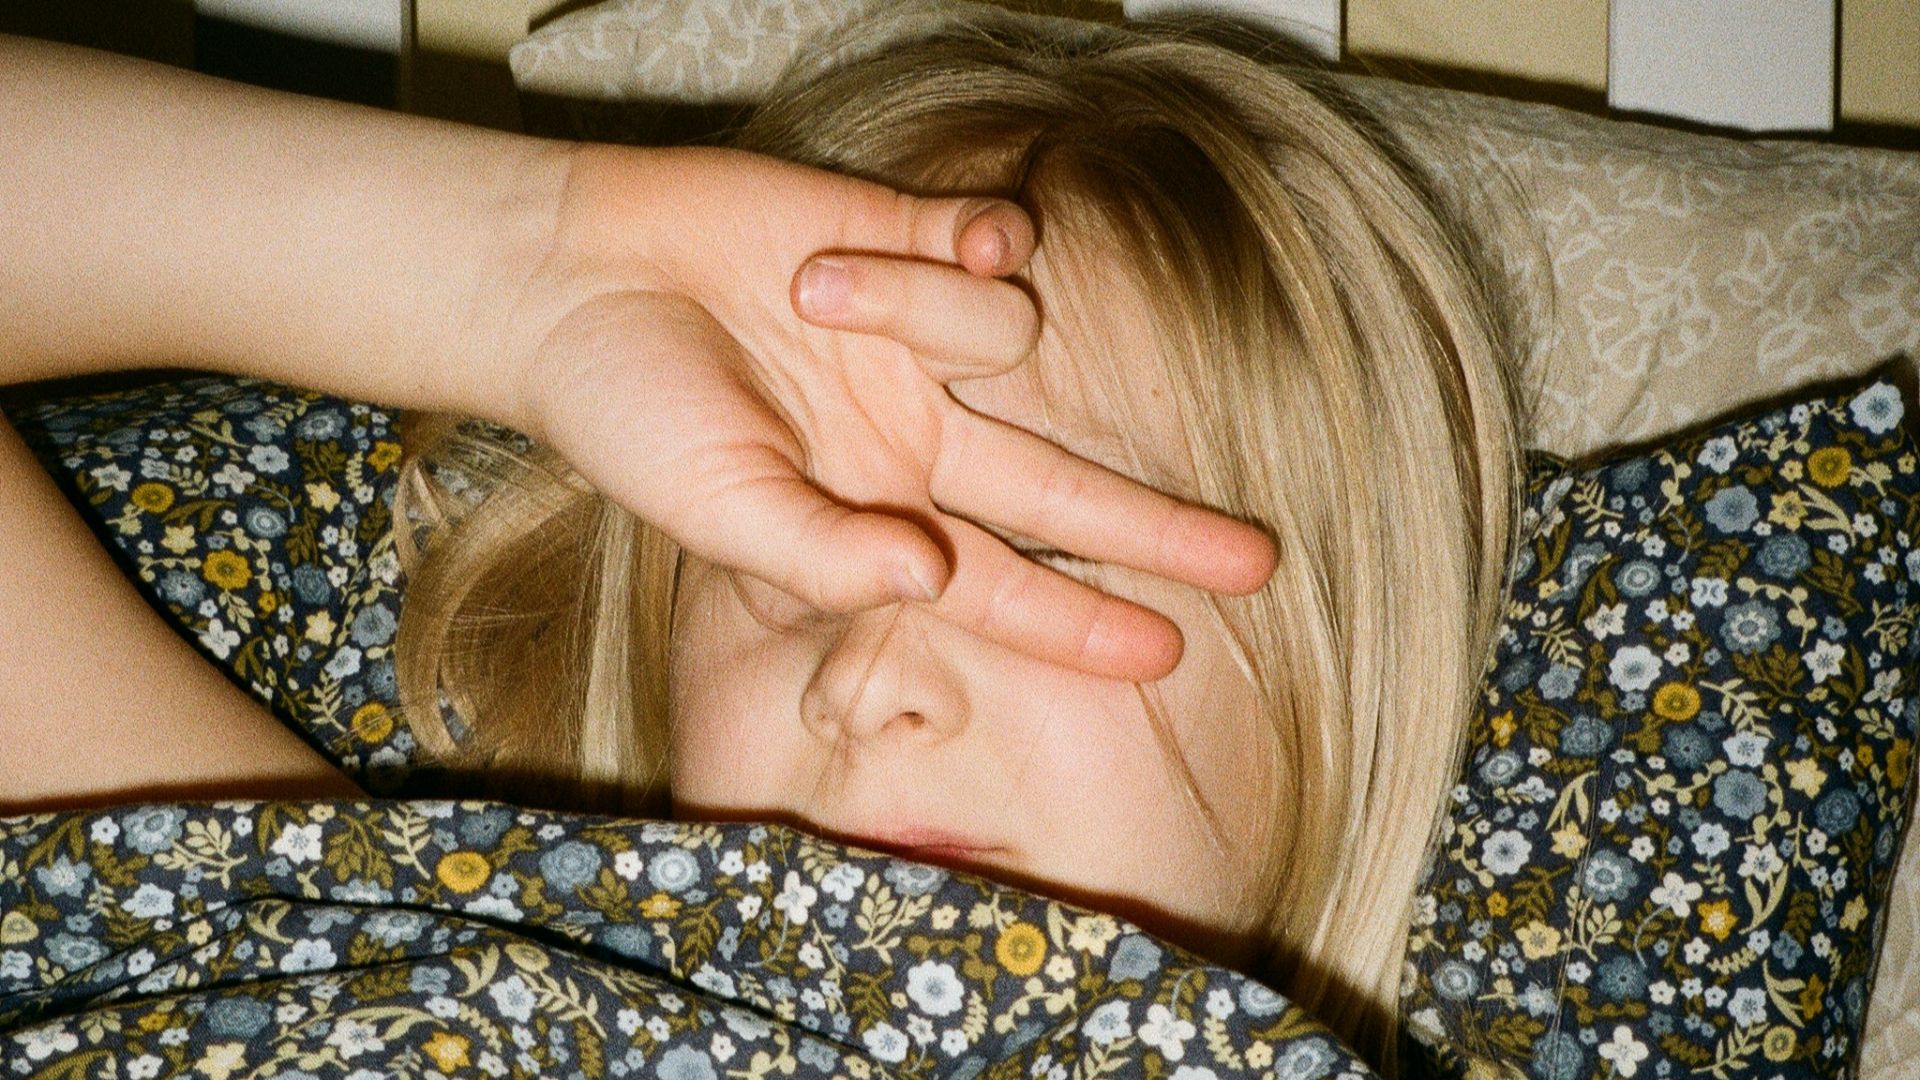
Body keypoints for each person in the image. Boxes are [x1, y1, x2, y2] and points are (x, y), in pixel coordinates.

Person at [0, 9, 1531, 1078]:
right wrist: (522, 266)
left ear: (1352, 660)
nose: (871, 674)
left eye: (1047, 555)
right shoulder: (373, 947)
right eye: (795, 554)